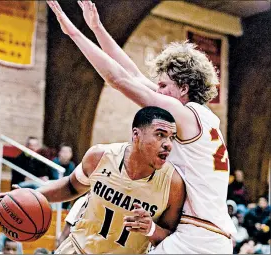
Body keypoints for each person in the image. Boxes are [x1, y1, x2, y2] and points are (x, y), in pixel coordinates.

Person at [46, 1, 236, 253]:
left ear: (184, 88)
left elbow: (118, 79)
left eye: (163, 86)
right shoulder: (205, 121)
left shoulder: (184, 114)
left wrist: (73, 33)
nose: (157, 91)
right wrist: (98, 27)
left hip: (195, 237)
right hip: (215, 237)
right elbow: (133, 76)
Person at [0, 106, 186, 254]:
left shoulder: (173, 183)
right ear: (136, 135)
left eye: (172, 138)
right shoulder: (100, 156)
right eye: (160, 135)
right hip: (77, 249)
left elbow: (171, 236)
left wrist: (151, 228)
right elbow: (70, 186)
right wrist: (29, 196)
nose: (168, 144)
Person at [51, 143, 76, 209]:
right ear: (59, 153)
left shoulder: (71, 165)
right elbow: (56, 178)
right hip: (54, 190)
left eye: (68, 152)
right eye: (64, 152)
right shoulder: (54, 162)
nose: (66, 154)